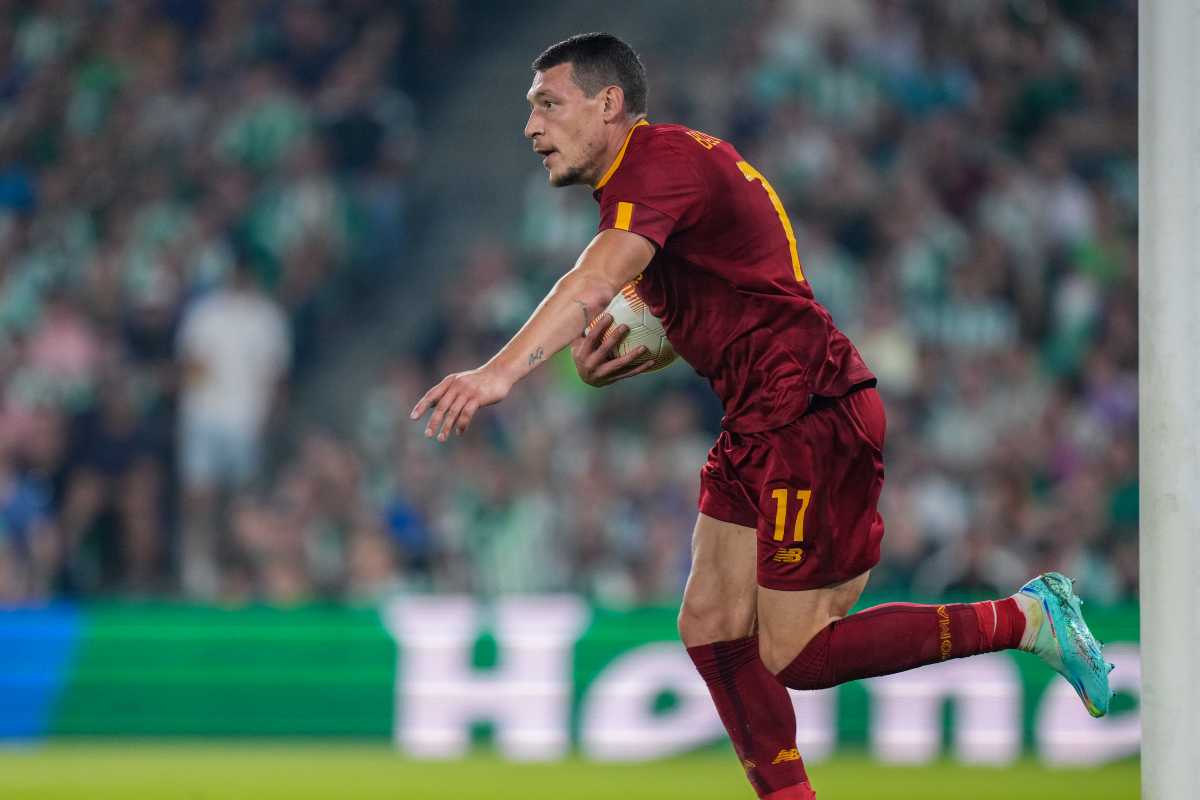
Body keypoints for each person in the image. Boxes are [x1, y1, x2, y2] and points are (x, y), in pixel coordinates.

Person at [410, 33, 1112, 799]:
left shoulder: (655, 164)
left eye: (548, 104)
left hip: (811, 408)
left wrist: (498, 372)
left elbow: (593, 279)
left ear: (608, 104)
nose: (531, 126)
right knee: (710, 624)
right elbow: (732, 292)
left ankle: (1026, 618)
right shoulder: (661, 181)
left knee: (799, 654)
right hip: (761, 415)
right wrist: (653, 339)